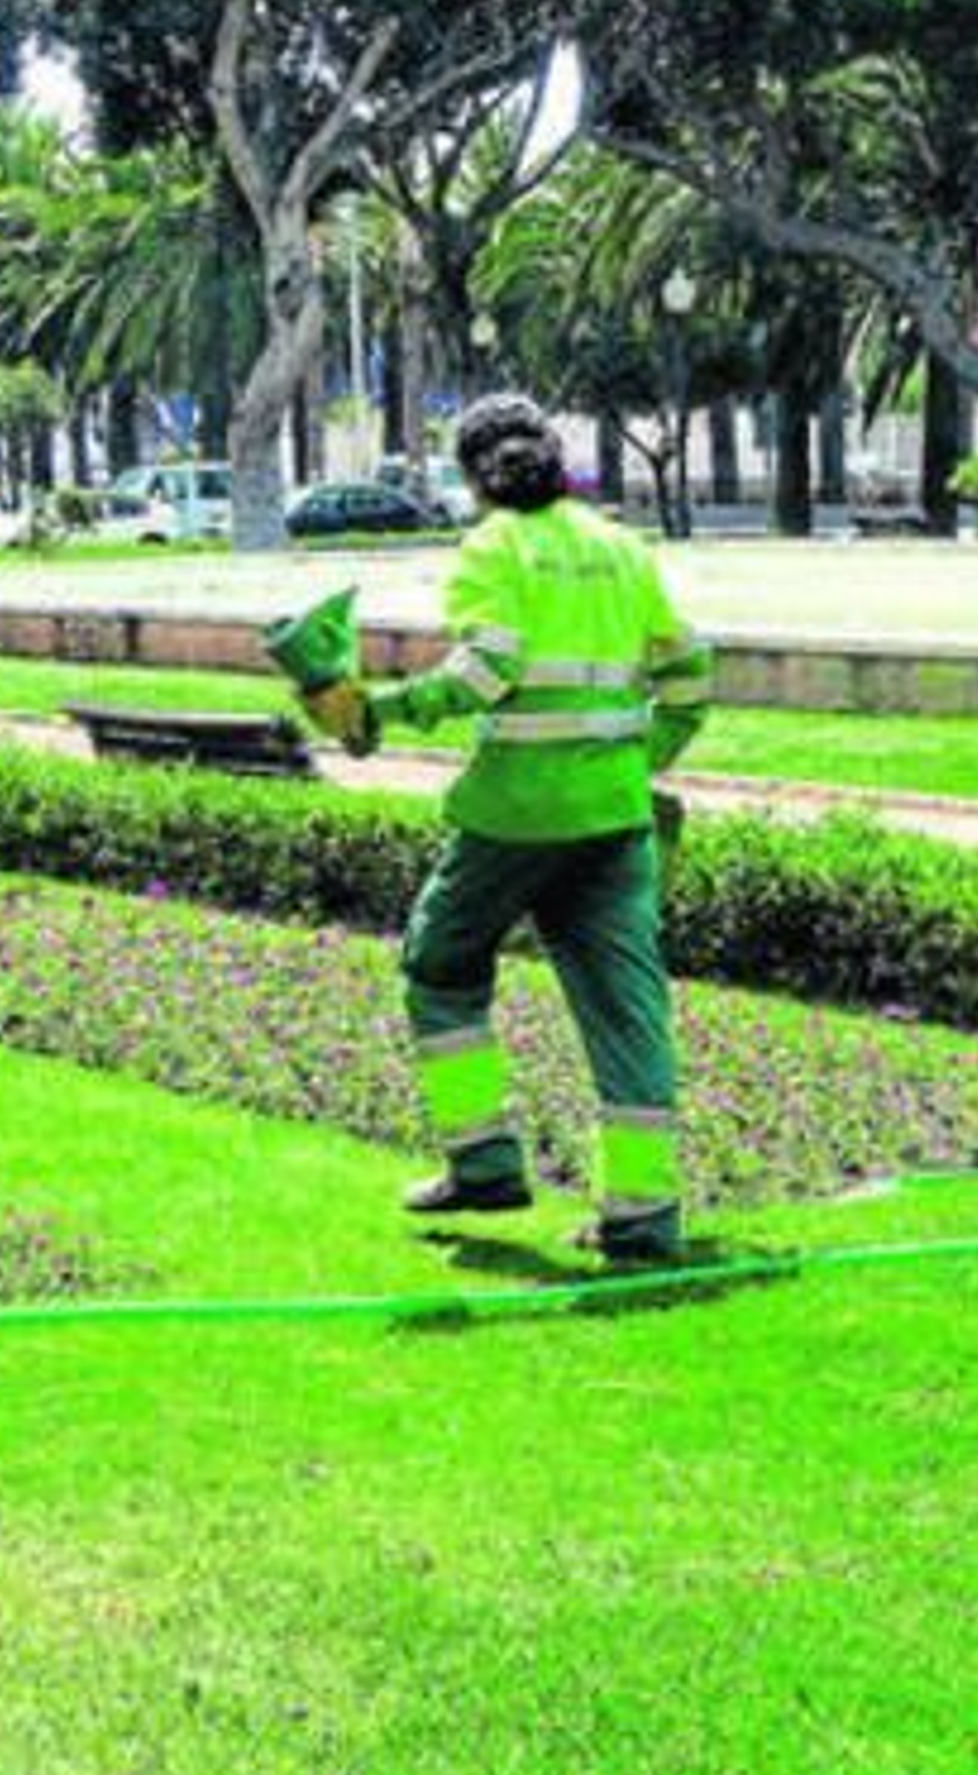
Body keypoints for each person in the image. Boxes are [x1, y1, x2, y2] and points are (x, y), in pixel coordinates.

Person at [304, 394, 712, 1265]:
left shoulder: (496, 546)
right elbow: (690, 676)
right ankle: (644, 1218)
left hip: (515, 817)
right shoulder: (620, 546)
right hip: (613, 817)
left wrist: (382, 712)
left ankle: (484, 1160)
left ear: (471, 476)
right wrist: (641, 765)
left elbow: (489, 667)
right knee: (626, 1009)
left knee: (440, 963)